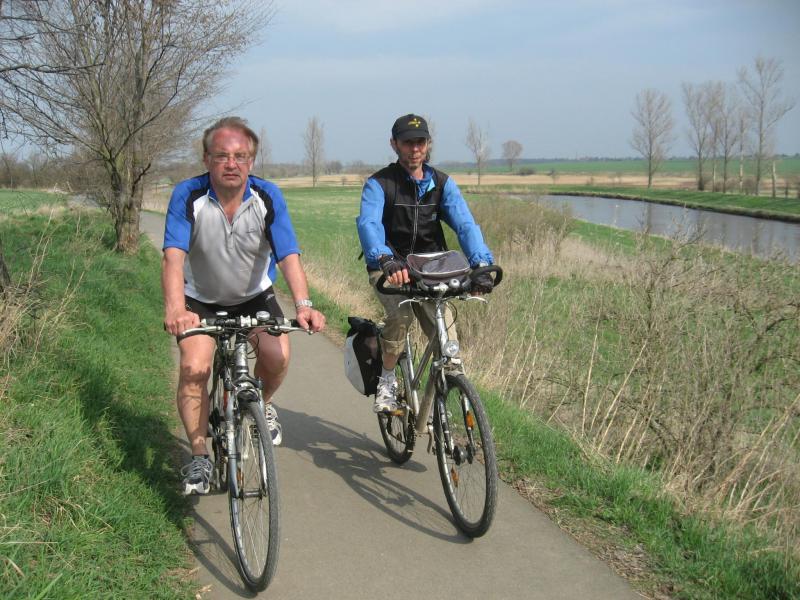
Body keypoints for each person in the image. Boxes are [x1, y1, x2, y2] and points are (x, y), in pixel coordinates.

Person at [162, 116, 326, 495]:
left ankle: (259, 405)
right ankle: (199, 455)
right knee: (194, 368)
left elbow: (288, 255)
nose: (231, 164)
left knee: (277, 356)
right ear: (207, 159)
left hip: (254, 296)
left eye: (240, 156)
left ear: (251, 161)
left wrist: (303, 305)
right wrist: (175, 308)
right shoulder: (188, 195)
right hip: (200, 299)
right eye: (222, 156)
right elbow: (173, 257)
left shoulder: (267, 196)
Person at [356, 113, 495, 413]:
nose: (415, 149)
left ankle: (438, 411)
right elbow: (369, 224)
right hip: (391, 268)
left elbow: (465, 225)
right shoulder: (380, 184)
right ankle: (387, 379)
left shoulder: (442, 183)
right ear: (394, 144)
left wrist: (481, 265)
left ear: (428, 144)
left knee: (448, 345)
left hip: (431, 270)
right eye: (408, 143)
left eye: (420, 142)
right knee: (400, 318)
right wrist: (384, 258)